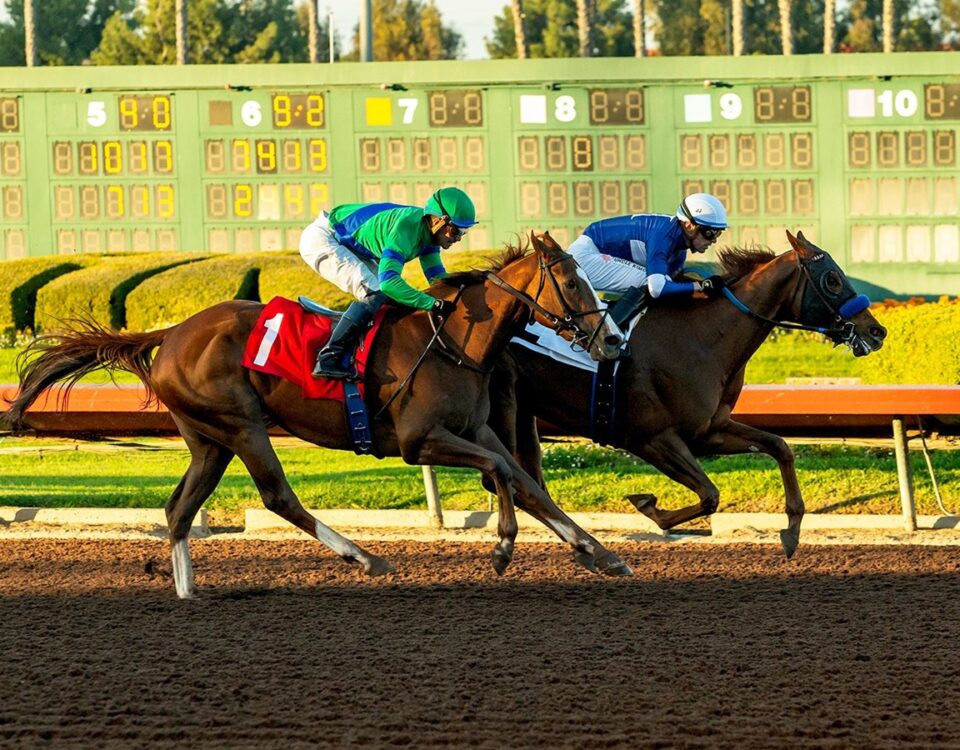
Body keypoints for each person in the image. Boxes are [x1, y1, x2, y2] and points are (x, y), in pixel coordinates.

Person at [299, 187, 476, 380]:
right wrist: (432, 304)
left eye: (464, 231)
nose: (458, 238)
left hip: (350, 246)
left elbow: (438, 280)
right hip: (325, 239)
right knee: (376, 292)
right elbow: (389, 283)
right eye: (456, 230)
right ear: (438, 221)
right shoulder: (406, 228)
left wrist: (466, 298)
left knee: (393, 298)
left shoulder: (430, 235)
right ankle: (328, 358)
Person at [567, 192, 730, 329]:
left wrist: (703, 292)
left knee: (666, 287)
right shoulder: (664, 235)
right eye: (710, 233)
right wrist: (700, 286)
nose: (714, 240)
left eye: (718, 233)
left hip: (594, 252)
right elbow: (657, 289)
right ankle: (607, 333)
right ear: (688, 226)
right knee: (652, 283)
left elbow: (672, 290)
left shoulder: (679, 252)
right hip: (585, 257)